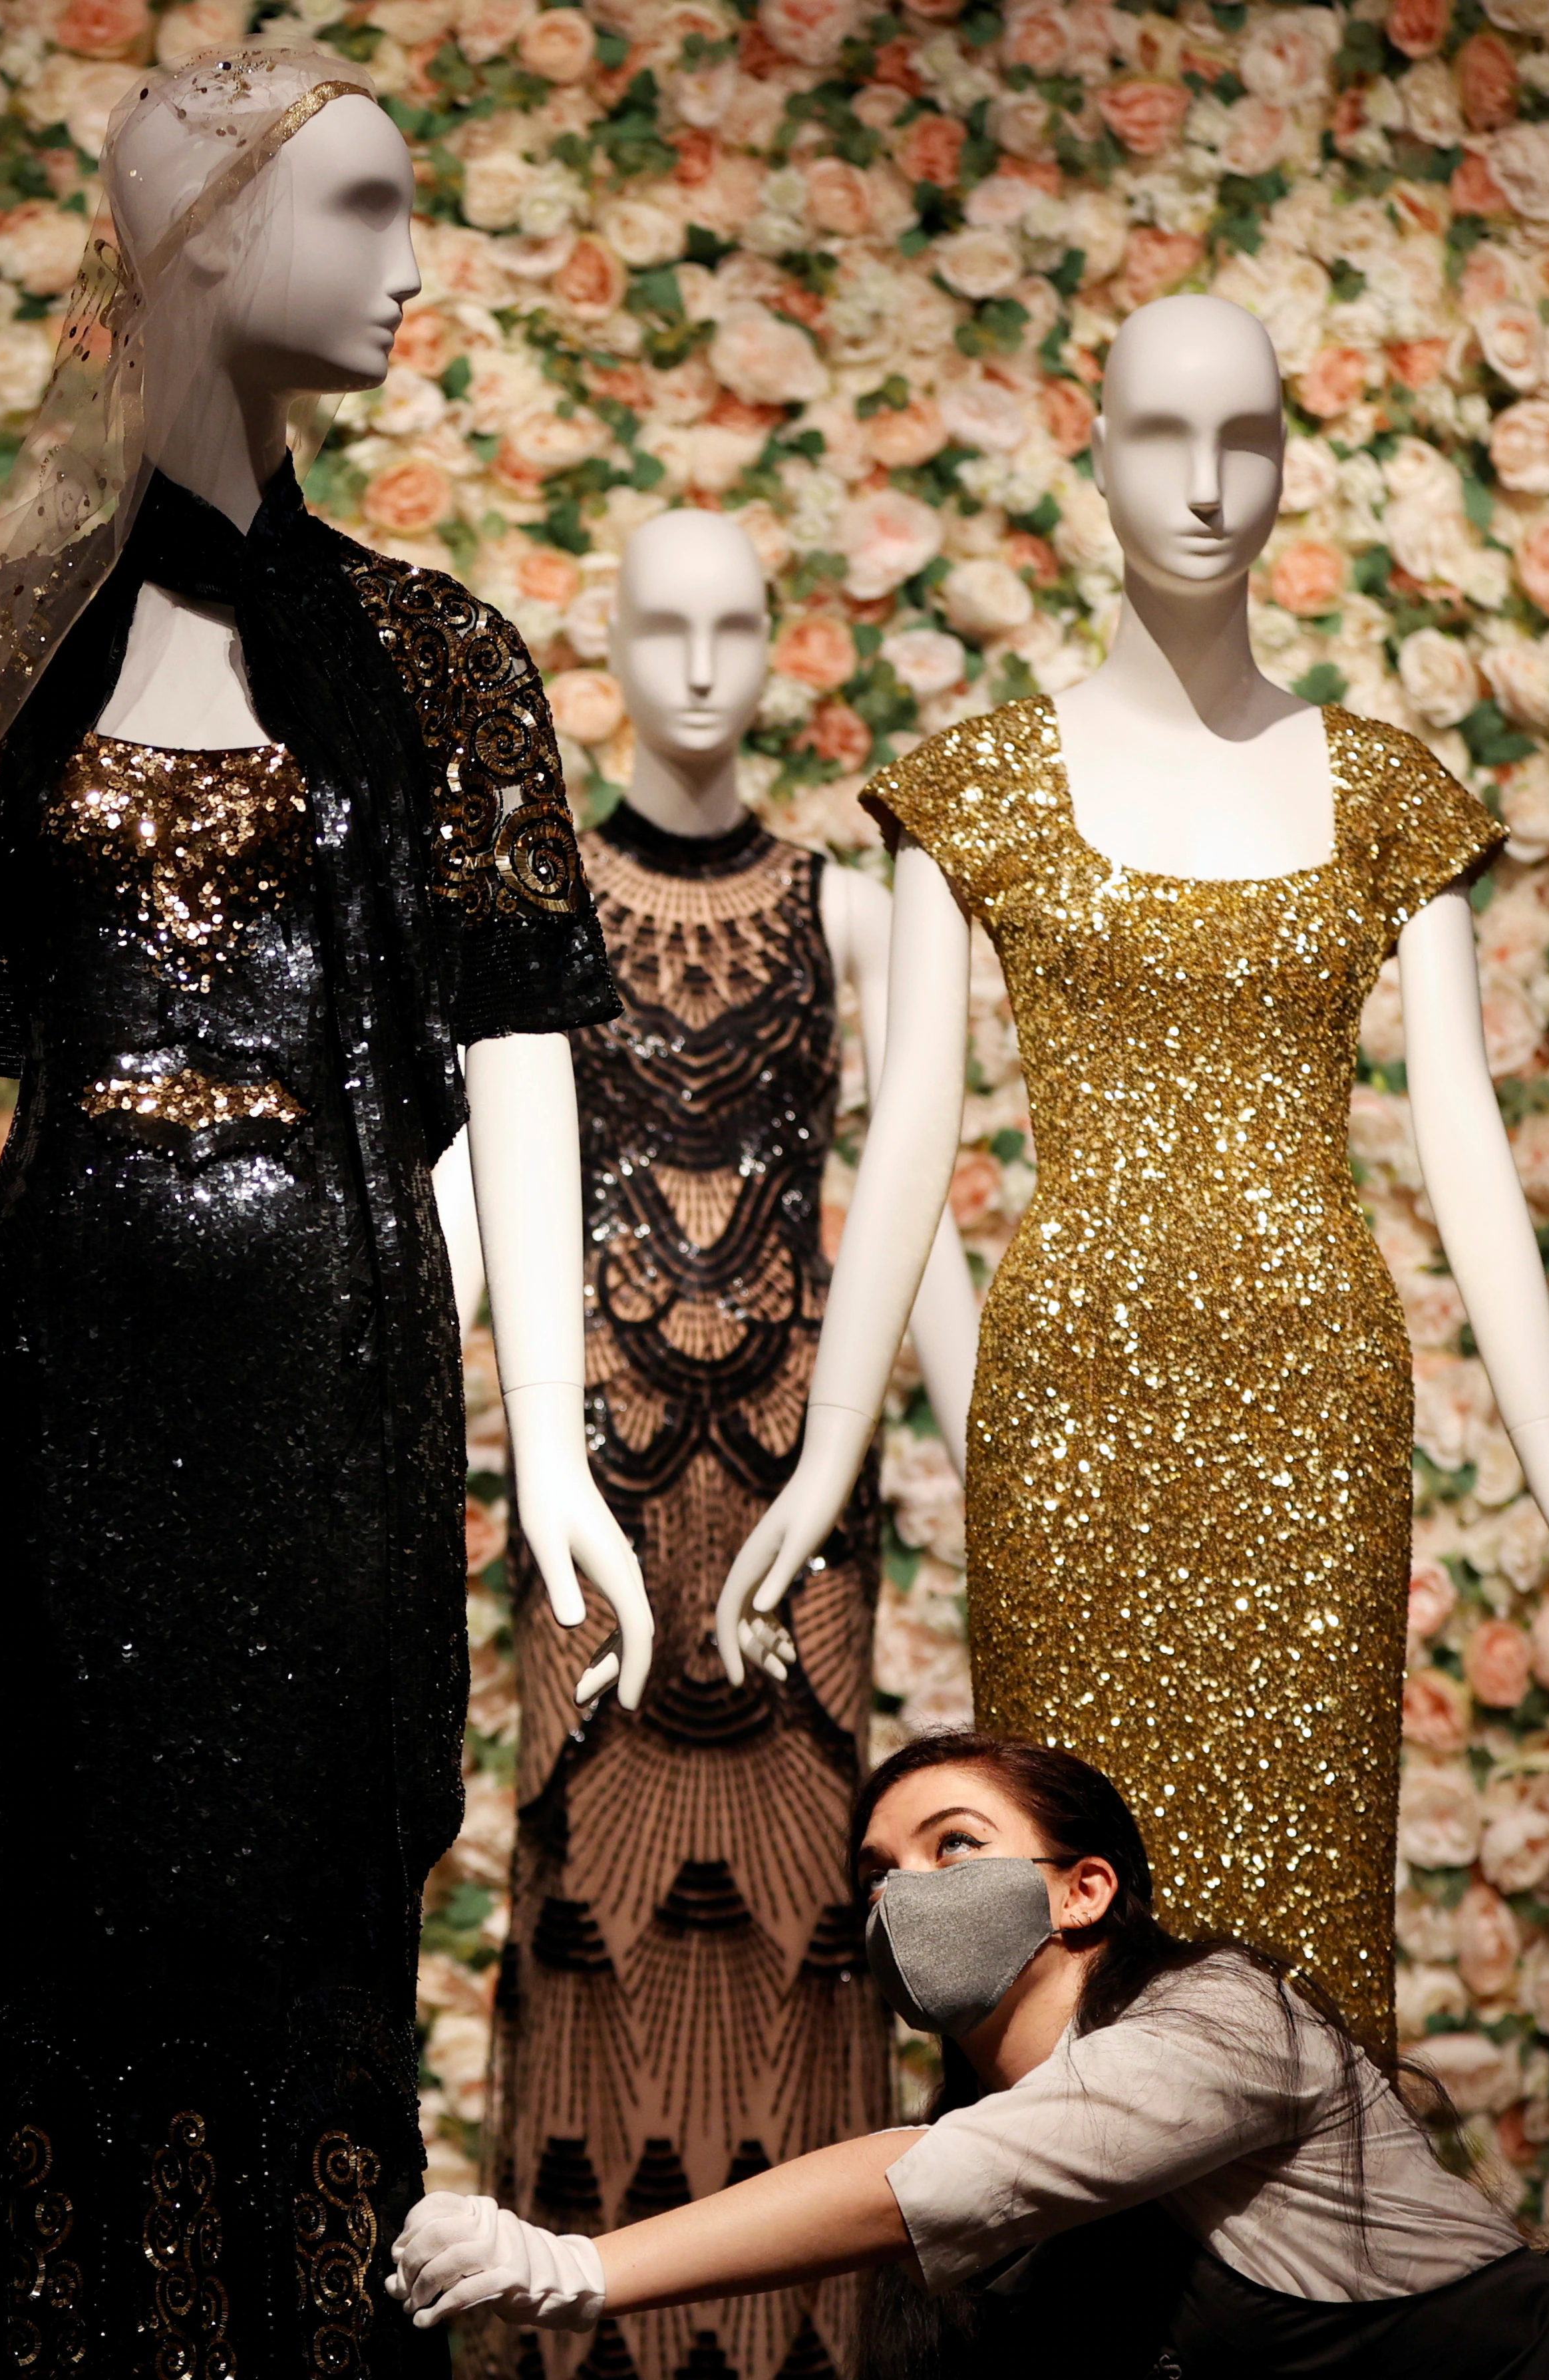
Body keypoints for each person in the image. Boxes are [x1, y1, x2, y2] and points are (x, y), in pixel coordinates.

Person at [0, 51, 655, 2376]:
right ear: (206, 242)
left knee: (317, 1971)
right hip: (69, 1386)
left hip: (334, 1385)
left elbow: (526, 1030)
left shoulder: (440, 658)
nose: (415, 265)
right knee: (84, 1981)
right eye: (364, 209)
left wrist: (551, 1445)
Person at [713, 295, 1549, 2043]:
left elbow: (1466, 1137)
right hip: (1070, 1414)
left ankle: (1311, 2299)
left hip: (1313, 1419)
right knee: (1080, 1935)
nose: (1207, 481)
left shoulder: (1383, 794)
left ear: (1292, 461)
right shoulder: (984, 787)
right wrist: (821, 1454)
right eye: (1162, 434)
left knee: (1303, 1926)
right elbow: (909, 1125)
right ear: (1094, 460)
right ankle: (1088, 2305)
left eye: (1248, 437)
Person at [476, 508, 979, 2380]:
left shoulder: (850, 911)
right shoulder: (548, 907)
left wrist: (993, 1440)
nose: (699, 664)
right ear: (612, 642)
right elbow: (492, 1197)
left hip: (795, 1506)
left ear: (779, 643)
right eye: (662, 627)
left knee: (808, 1932)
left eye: (735, 626)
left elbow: (891, 1215)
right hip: (593, 1492)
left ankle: (807, 2348)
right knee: (588, 1935)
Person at [389, 1731, 1549, 2379]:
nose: (899, 1895)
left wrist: (575, 2267)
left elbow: (922, 2175)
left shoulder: (1227, 2020)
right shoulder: (1032, 2189)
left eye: (952, 1848)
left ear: (1083, 1892)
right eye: (875, 1874)